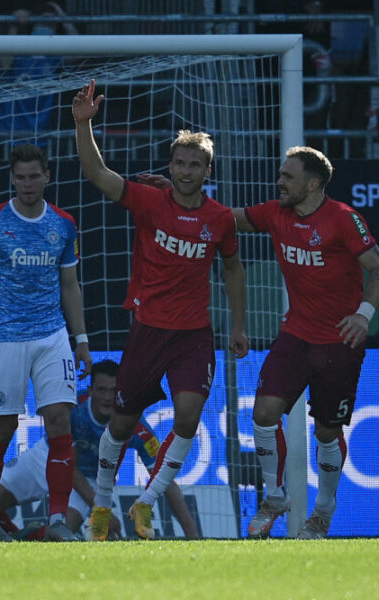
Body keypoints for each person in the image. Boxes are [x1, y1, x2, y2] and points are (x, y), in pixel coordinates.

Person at [72, 79, 249, 540]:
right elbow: (98, 174)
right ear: (170, 165)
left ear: (208, 170)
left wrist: (239, 324)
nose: (186, 171)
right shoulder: (150, 201)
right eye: (180, 162)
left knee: (189, 417)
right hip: (148, 330)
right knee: (122, 423)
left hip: (193, 335)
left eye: (195, 164)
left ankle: (146, 505)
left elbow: (233, 268)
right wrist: (82, 125)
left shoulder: (220, 220)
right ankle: (104, 507)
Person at [235, 147, 379, 539]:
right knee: (264, 413)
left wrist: (363, 315)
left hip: (339, 343)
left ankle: (322, 512)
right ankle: (274, 497)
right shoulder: (275, 213)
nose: (280, 181)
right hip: (295, 335)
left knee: (325, 431)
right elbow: (226, 219)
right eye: (281, 174)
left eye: (288, 176)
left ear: (314, 183)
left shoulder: (343, 219)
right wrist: (180, 198)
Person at [0, 142, 92, 542]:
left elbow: (70, 285)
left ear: (47, 176)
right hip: (5, 338)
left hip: (52, 337)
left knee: (59, 423)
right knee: (2, 427)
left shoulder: (64, 225)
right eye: (21, 177)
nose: (28, 183)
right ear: (12, 179)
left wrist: (81, 339)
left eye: (35, 176)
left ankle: (56, 521)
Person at [0, 359, 201, 540]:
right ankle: (11, 534)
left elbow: (165, 480)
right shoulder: (74, 409)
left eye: (114, 390)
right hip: (47, 456)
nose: (108, 397)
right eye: (101, 390)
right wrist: (102, 509)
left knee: (61, 534)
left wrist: (193, 535)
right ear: (90, 390)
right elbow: (69, 466)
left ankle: (28, 536)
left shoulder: (137, 426)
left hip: (89, 481)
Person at [0, 2, 78, 146]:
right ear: (33, 24)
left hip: (40, 128)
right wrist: (14, 25)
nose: (46, 26)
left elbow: (79, 53)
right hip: (8, 127)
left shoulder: (56, 55)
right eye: (42, 21)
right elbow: (4, 64)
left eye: (51, 23)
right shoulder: (18, 49)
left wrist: (64, 19)